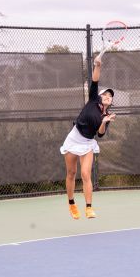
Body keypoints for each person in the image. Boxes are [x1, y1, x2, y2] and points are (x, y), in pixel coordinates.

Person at [60, 56, 116, 219]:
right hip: (74, 138)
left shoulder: (107, 115)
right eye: (105, 94)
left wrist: (104, 122)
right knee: (71, 173)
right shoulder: (92, 100)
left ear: (111, 101)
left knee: (85, 174)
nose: (107, 96)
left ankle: (89, 207)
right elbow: (95, 80)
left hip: (88, 143)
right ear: (99, 96)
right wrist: (97, 65)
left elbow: (99, 134)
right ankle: (71, 204)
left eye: (110, 96)